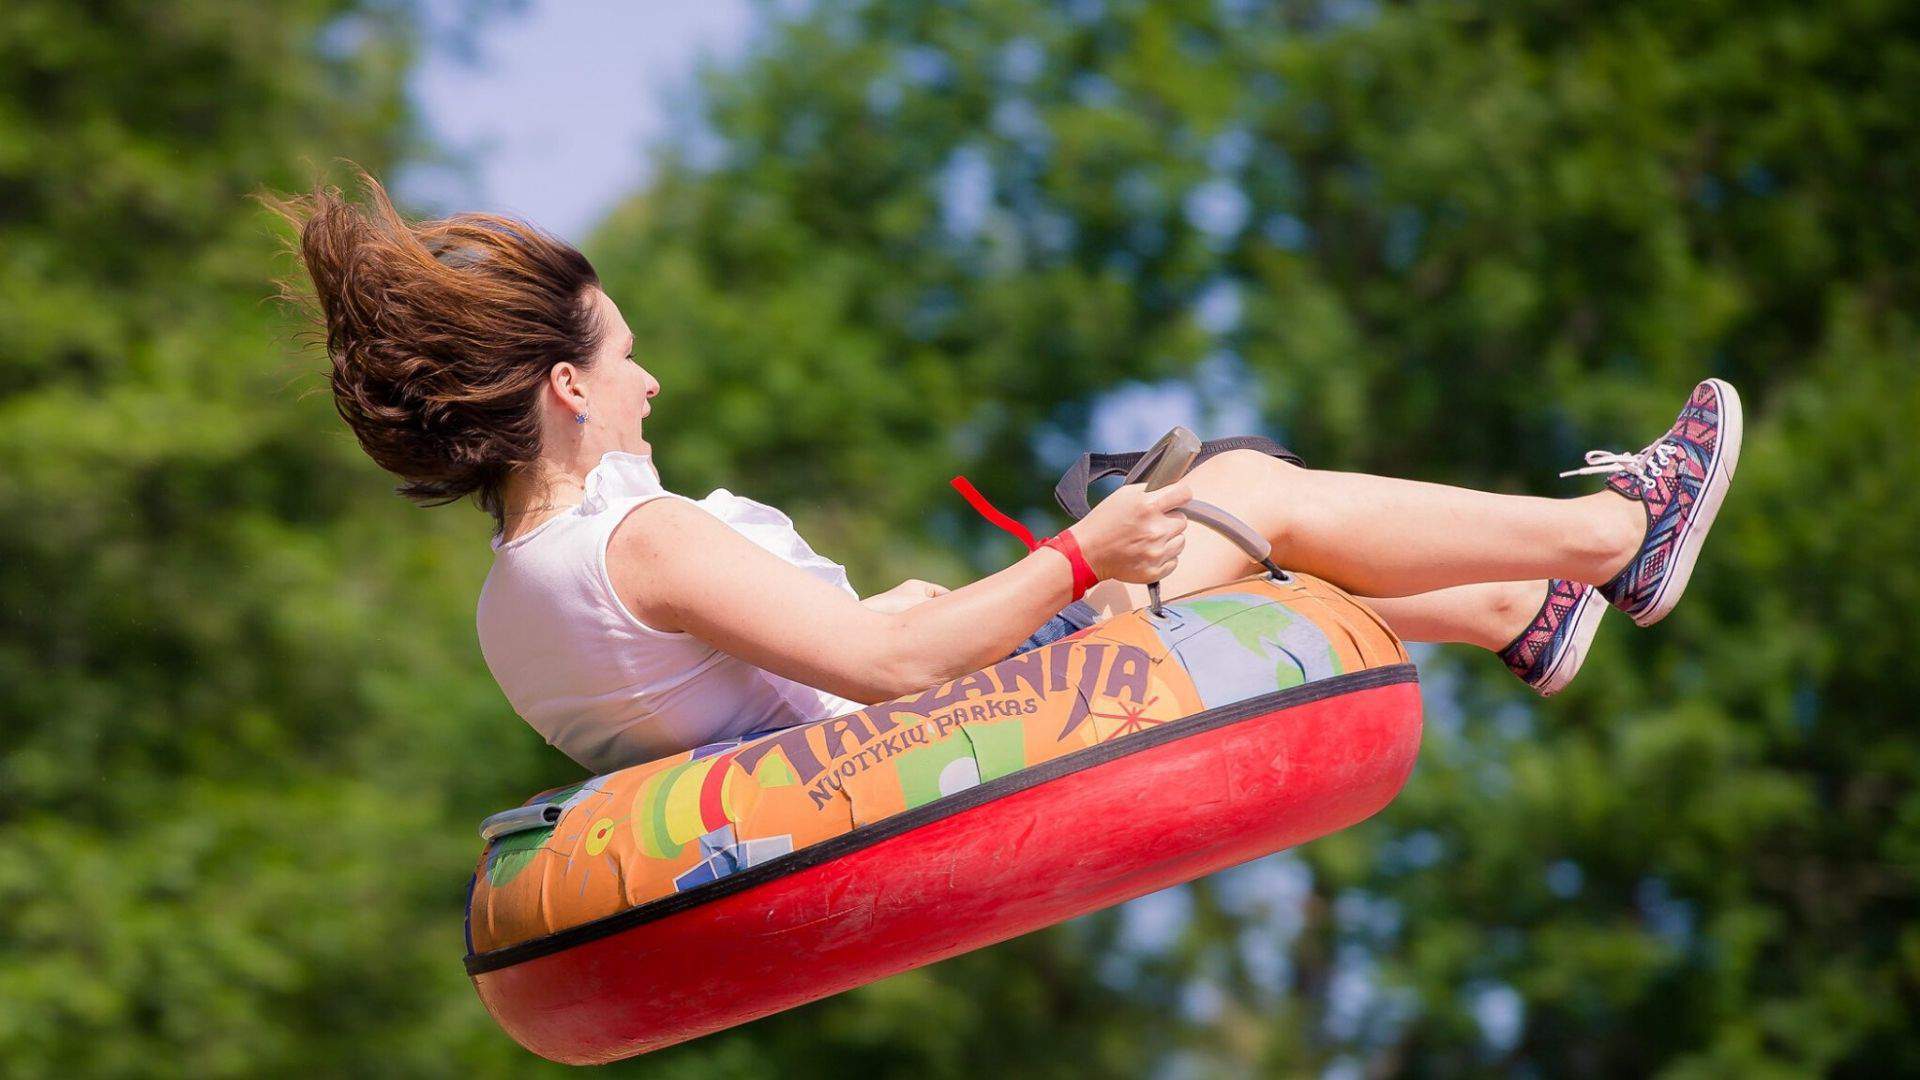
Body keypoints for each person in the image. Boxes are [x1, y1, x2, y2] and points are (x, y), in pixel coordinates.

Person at [268, 173, 1742, 776]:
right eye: (628, 357)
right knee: (1248, 488)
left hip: (898, 752)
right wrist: (1082, 558)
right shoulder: (634, 539)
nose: (651, 383)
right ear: (569, 387)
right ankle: (1617, 534)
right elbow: (888, 670)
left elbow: (752, 696)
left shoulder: (511, 596)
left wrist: (997, 588)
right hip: (952, 741)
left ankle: (1504, 609)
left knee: (1209, 517)